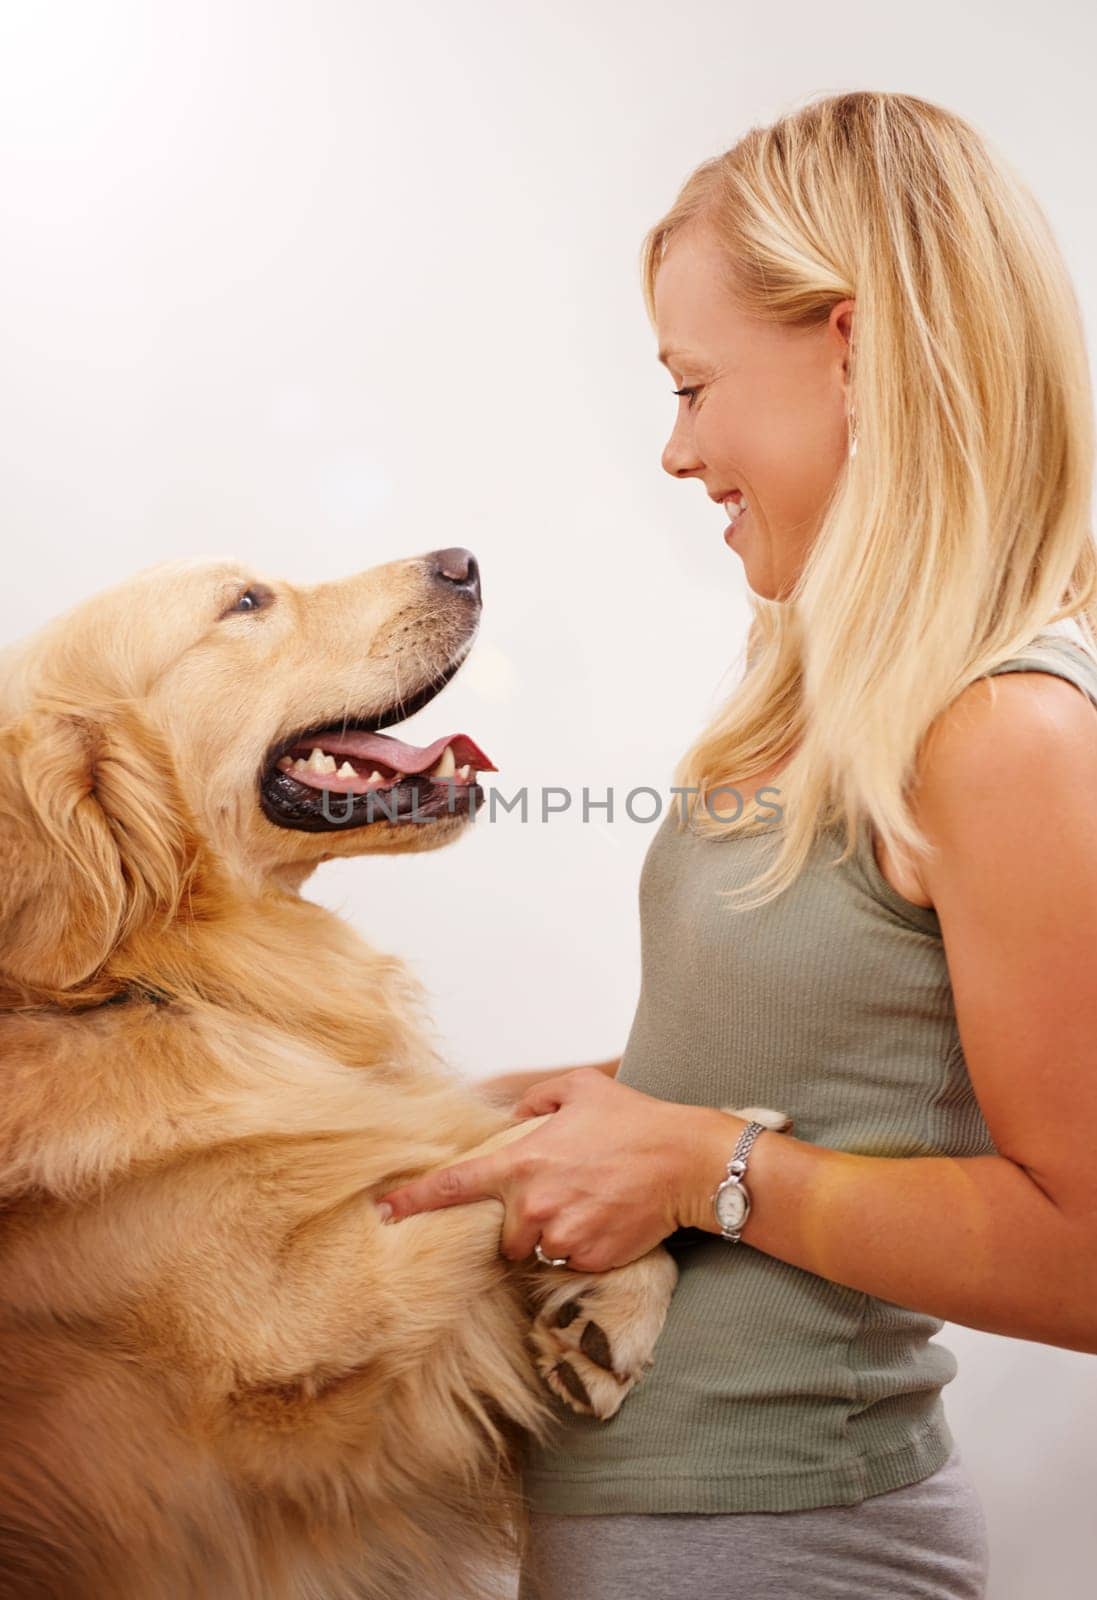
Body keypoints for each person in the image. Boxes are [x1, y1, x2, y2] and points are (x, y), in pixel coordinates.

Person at [374, 89, 1097, 1599]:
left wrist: (704, 1159)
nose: (675, 450)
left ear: (852, 348)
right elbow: (820, 1087)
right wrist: (621, 1114)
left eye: (693, 386)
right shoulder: (828, 696)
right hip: (645, 1519)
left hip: (783, 1542)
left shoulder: (1008, 733)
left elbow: (1084, 1248)